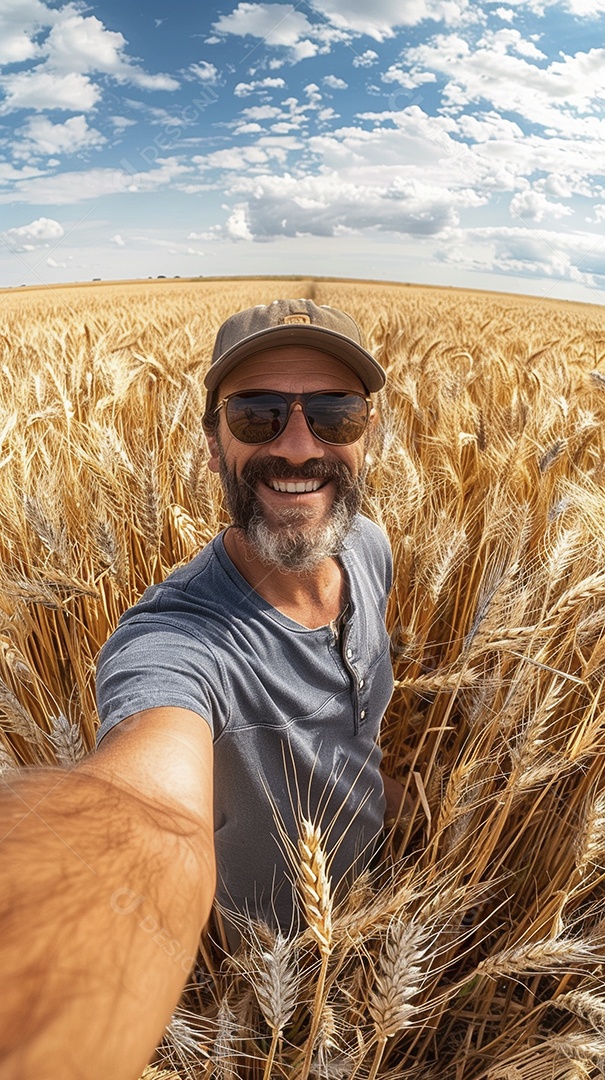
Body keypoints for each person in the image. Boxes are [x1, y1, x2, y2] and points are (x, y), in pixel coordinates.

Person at [0, 299, 400, 1080]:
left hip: (375, 907)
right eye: (254, 416)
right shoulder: (178, 641)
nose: (296, 445)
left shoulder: (372, 548)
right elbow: (143, 805)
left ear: (367, 436)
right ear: (213, 444)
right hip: (268, 981)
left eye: (335, 413)